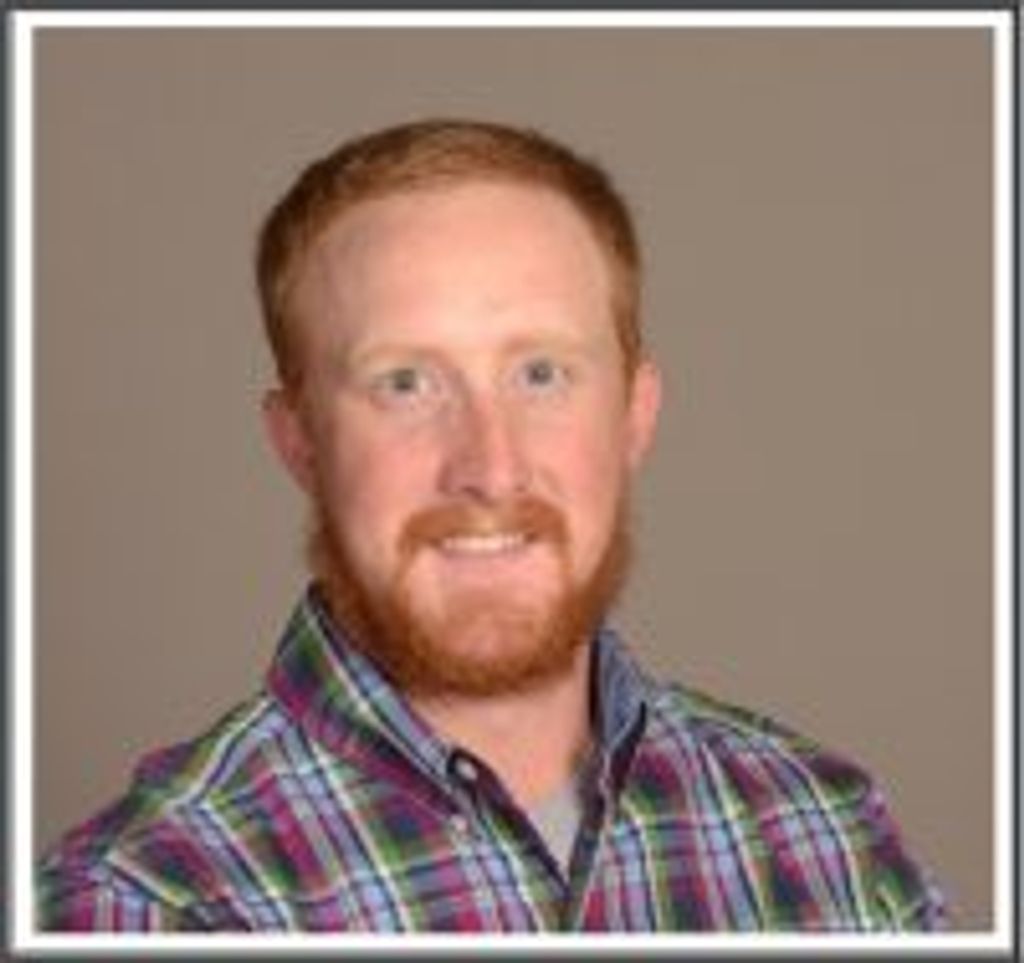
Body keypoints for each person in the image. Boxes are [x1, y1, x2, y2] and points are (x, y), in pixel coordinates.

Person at [37, 119, 946, 932]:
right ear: (299, 440)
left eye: (542, 373)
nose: (491, 467)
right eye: (404, 382)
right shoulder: (149, 906)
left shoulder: (825, 836)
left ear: (634, 415)